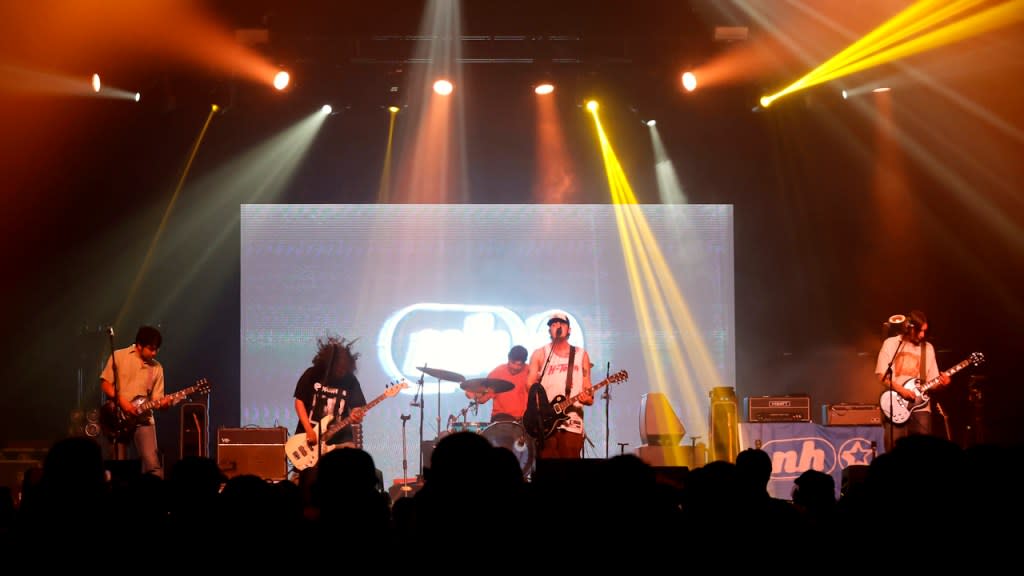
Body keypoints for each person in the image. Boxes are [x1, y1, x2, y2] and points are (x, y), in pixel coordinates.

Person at [99, 325, 172, 478]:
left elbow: (157, 399)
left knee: (153, 465)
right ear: (139, 345)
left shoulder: (157, 368)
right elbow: (105, 384)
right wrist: (123, 402)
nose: (154, 353)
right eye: (151, 349)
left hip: (143, 420)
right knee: (118, 465)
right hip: (118, 418)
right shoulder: (118, 356)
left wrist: (164, 404)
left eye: (157, 349)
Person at [875, 310, 950, 450]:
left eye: (924, 331)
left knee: (922, 449)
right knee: (895, 449)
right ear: (909, 327)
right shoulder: (891, 343)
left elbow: (932, 382)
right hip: (896, 404)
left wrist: (942, 384)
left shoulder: (927, 348)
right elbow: (882, 376)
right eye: (919, 331)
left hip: (921, 407)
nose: (922, 335)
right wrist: (901, 390)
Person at [525, 312, 593, 459]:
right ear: (549, 330)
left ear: (569, 330)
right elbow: (530, 384)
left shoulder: (581, 354)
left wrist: (586, 398)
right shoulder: (540, 353)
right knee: (547, 468)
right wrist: (539, 407)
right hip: (545, 423)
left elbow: (588, 392)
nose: (557, 326)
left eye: (561, 323)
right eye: (553, 324)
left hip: (572, 422)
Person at [293, 335, 367, 455]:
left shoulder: (350, 380)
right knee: (304, 473)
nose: (341, 371)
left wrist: (357, 416)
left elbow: (357, 408)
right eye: (339, 368)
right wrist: (309, 430)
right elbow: (299, 402)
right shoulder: (312, 374)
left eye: (344, 368)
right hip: (308, 439)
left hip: (340, 440)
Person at [466, 345, 530, 423]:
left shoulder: (530, 371)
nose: (515, 367)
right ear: (508, 359)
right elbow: (483, 398)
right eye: (513, 363)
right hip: (501, 420)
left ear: (524, 363)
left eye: (519, 365)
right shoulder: (498, 372)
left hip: (525, 420)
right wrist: (474, 394)